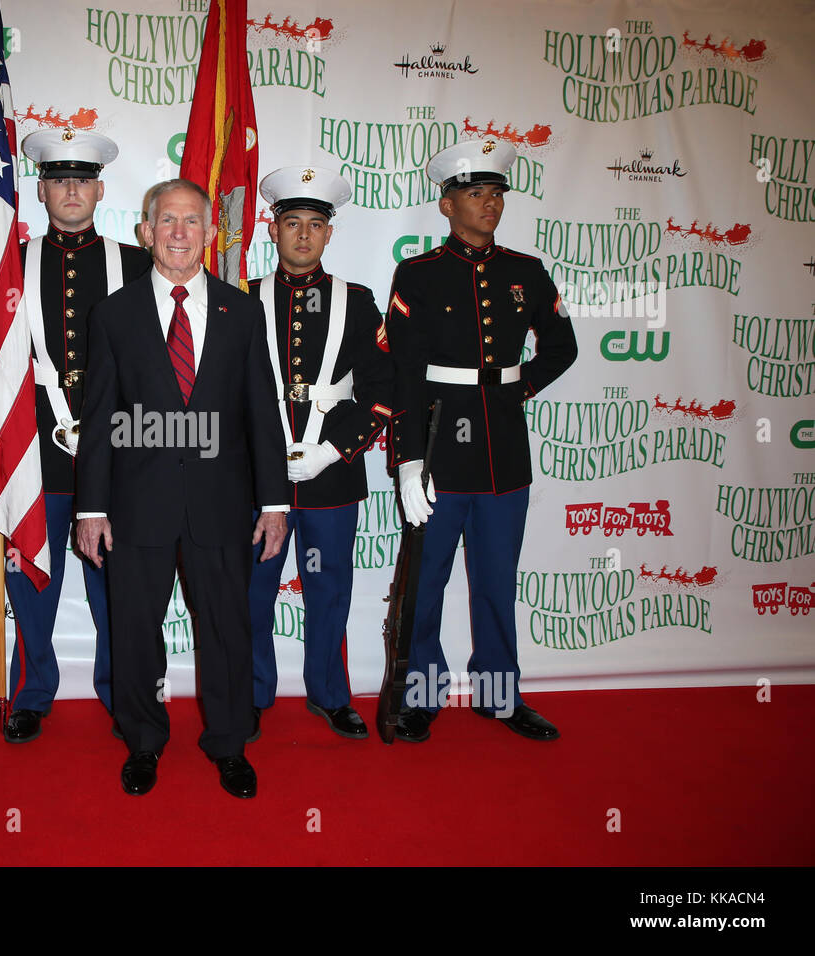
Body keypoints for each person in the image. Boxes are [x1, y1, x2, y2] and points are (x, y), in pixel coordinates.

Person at [75, 179, 288, 798]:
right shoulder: (112, 314)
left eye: (191, 221)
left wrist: (273, 502)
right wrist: (91, 507)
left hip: (221, 503)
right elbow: (100, 418)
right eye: (166, 220)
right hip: (136, 503)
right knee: (134, 629)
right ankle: (142, 741)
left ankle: (228, 743)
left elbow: (262, 413)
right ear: (145, 232)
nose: (177, 233)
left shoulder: (241, 311)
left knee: (226, 628)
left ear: (209, 234)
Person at [384, 139, 577, 743]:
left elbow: (562, 348)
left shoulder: (527, 271)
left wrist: (514, 392)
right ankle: (421, 697)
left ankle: (498, 697)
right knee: (428, 581)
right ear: (446, 205)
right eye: (475, 193)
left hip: (504, 453)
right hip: (440, 449)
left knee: (496, 582)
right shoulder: (417, 274)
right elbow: (404, 376)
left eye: (496, 194)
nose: (489, 204)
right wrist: (409, 461)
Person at [2, 130, 152, 743]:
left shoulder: (137, 263)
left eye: (82, 179)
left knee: (116, 586)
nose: (70, 189)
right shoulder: (6, 264)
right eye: (59, 179)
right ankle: (34, 694)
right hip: (33, 451)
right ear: (41, 189)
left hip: (114, 454)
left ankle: (122, 692)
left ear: (98, 189)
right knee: (33, 582)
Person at [246, 166, 393, 740]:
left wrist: (332, 452)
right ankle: (254, 694)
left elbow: (382, 390)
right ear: (272, 230)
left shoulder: (357, 302)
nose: (303, 235)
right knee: (253, 592)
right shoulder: (240, 302)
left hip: (332, 478)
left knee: (329, 591)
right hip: (261, 482)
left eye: (314, 225)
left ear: (329, 234)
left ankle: (330, 695)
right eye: (291, 223)